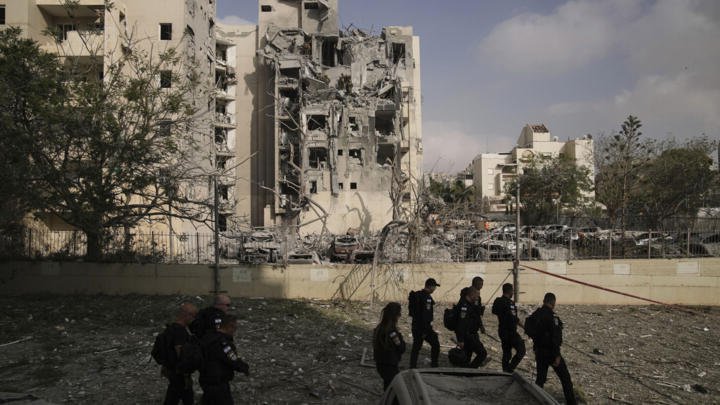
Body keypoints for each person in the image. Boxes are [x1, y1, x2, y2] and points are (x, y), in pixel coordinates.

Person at [529, 293, 577, 405]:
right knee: (565, 379)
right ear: (553, 303)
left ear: (544, 301)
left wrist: (536, 342)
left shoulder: (536, 314)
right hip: (551, 353)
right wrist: (557, 355)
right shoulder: (553, 317)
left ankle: (536, 400)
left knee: (540, 380)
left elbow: (528, 328)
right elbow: (556, 338)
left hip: (539, 352)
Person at [199, 313, 250, 405]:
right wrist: (244, 367)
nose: (234, 331)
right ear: (229, 326)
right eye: (234, 328)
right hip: (218, 382)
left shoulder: (208, 337)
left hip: (205, 380)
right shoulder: (223, 343)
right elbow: (232, 359)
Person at [163, 302, 199, 405]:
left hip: (172, 370)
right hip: (179, 373)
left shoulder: (170, 328)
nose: (194, 319)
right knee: (179, 397)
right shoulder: (180, 331)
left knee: (176, 395)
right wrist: (186, 370)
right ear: (187, 315)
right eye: (193, 316)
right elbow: (180, 353)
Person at [491, 283, 525, 372]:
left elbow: (494, 311)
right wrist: (524, 327)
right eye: (512, 291)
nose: (513, 293)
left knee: (507, 353)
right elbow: (514, 318)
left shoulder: (498, 301)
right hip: (510, 332)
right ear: (509, 291)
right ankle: (509, 369)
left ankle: (506, 371)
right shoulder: (509, 303)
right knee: (521, 350)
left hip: (502, 331)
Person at [373, 302, 406, 390]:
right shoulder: (392, 333)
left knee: (388, 387)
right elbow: (401, 348)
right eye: (399, 314)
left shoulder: (379, 328)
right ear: (395, 316)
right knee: (394, 389)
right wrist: (400, 337)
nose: (399, 316)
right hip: (389, 366)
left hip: (381, 364)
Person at [409, 278, 440, 368]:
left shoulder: (418, 295)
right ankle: (434, 365)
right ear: (430, 286)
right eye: (434, 287)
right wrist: (425, 331)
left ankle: (412, 366)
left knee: (416, 346)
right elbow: (426, 316)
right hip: (423, 327)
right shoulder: (427, 299)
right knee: (435, 344)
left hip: (415, 326)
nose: (435, 289)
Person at [455, 287, 488, 368]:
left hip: (472, 334)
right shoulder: (464, 306)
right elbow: (461, 324)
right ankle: (471, 370)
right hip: (468, 335)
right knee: (482, 353)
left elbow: (475, 317)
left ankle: (467, 371)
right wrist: (460, 339)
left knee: (467, 357)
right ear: (472, 295)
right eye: (476, 296)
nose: (477, 298)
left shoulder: (470, 305)